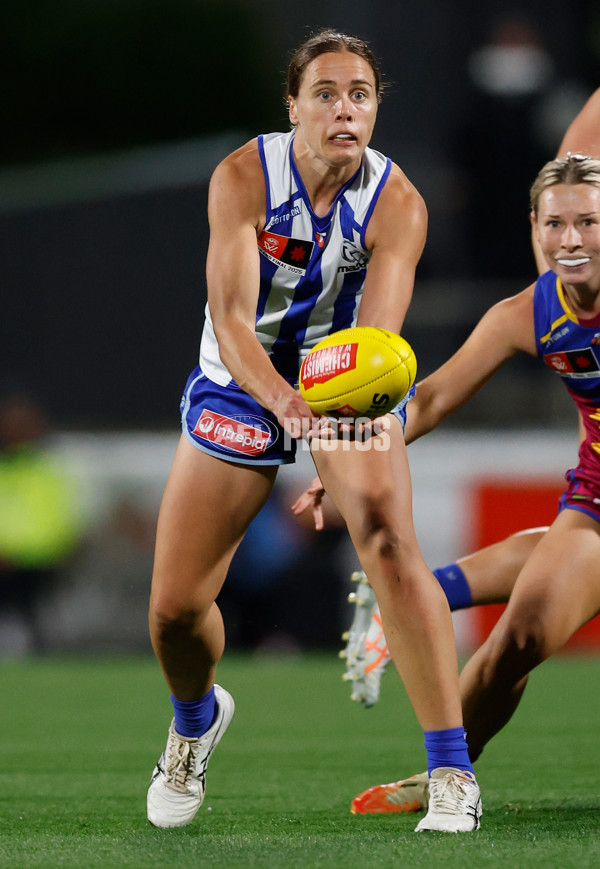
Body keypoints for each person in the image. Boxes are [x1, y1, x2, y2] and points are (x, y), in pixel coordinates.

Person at [146, 29, 482, 834]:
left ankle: (451, 771)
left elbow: (375, 338)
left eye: (360, 94)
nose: (344, 108)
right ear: (293, 106)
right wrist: (281, 401)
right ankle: (194, 722)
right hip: (242, 380)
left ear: (374, 111)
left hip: (343, 382)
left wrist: (339, 438)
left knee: (390, 541)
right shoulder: (242, 177)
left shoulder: (398, 203)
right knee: (174, 611)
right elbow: (230, 321)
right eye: (326, 93)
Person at [338, 152, 600, 815]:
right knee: (520, 635)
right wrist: (353, 450)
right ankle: (449, 772)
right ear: (534, 227)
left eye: (589, 222)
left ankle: (425, 592)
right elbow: (426, 401)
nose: (570, 239)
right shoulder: (528, 314)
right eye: (556, 223)